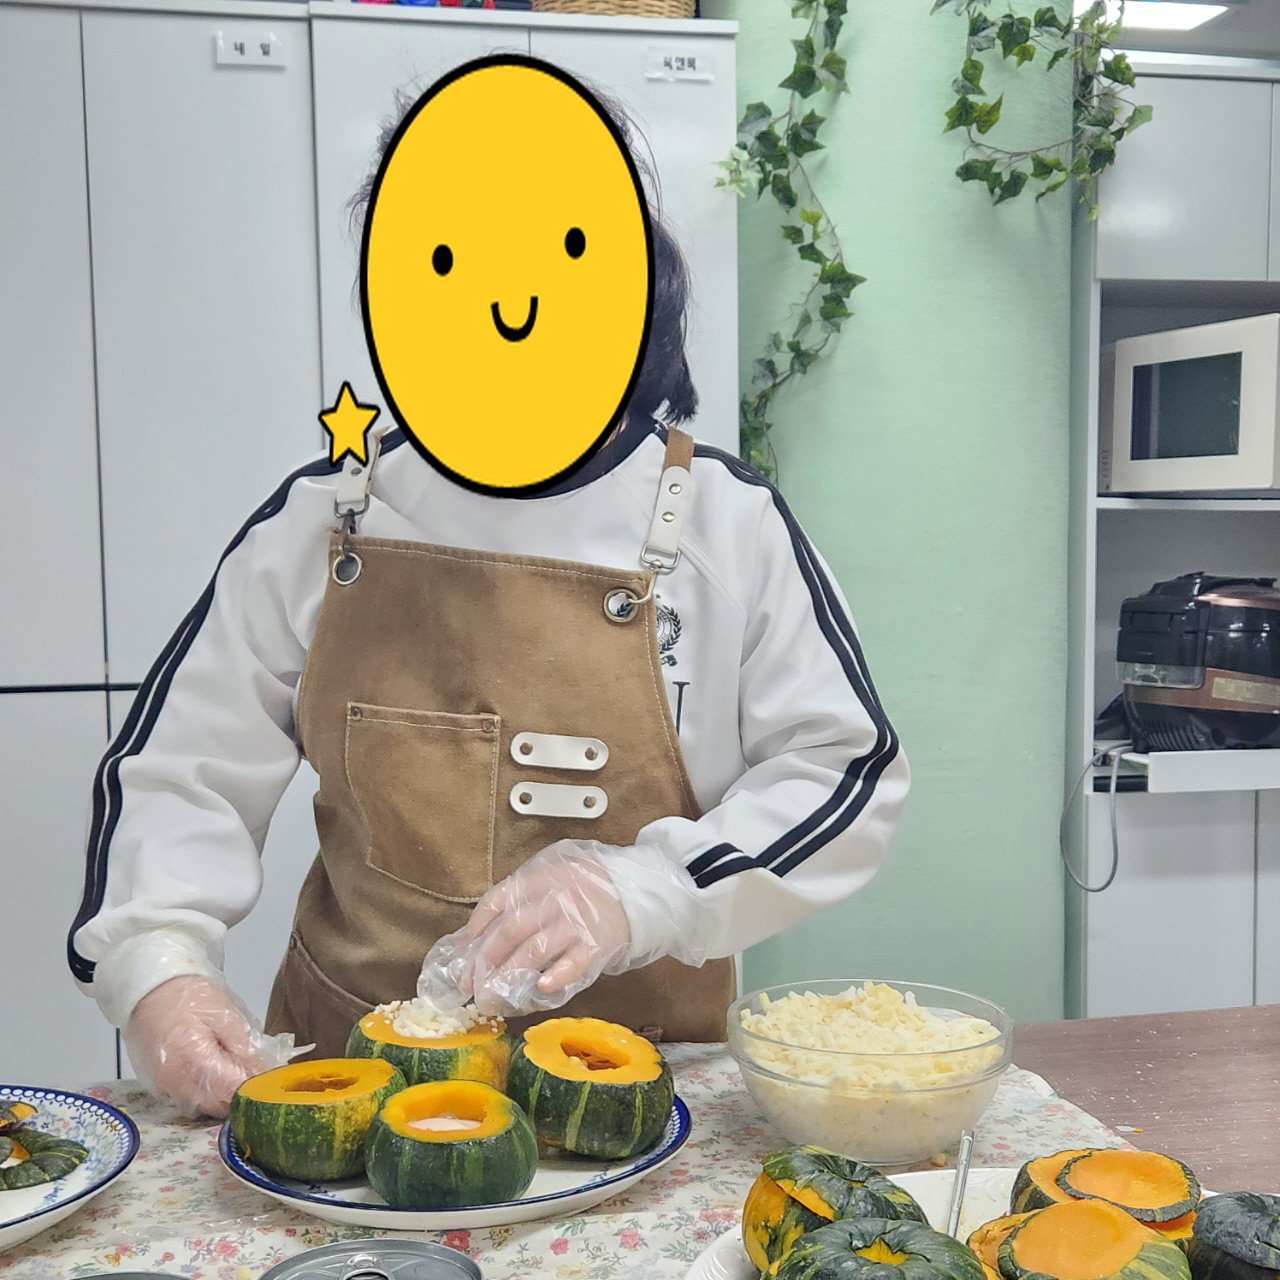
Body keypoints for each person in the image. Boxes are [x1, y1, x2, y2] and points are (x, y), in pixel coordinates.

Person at [67, 58, 909, 1119]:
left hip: (637, 1102)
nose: (508, 302)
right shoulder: (331, 514)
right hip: (346, 1095)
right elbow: (183, 765)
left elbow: (844, 770)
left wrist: (641, 889)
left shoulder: (723, 524)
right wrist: (159, 966)